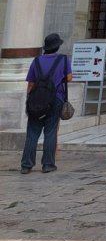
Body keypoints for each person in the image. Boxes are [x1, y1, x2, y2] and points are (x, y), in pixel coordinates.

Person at [21, 33, 73, 174]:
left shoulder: (36, 61)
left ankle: (26, 165)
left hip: (36, 100)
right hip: (55, 98)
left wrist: (29, 101)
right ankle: (48, 164)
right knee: (50, 131)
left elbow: (30, 83)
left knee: (32, 132)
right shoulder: (63, 60)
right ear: (57, 46)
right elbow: (69, 77)